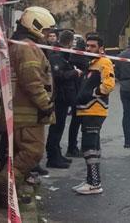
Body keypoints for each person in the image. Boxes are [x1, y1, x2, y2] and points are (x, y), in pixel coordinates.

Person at [0, 7, 57, 207]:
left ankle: (8, 196)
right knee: (32, 152)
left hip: (15, 111)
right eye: (45, 31)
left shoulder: (15, 44)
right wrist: (45, 104)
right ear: (35, 25)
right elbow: (32, 80)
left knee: (16, 153)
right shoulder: (27, 47)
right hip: (28, 114)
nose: (46, 35)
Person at [73, 34, 115, 195]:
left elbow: (109, 85)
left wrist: (93, 93)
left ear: (101, 48)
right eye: (87, 46)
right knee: (92, 147)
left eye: (93, 46)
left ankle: (95, 183)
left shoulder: (104, 63)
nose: (89, 49)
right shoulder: (91, 63)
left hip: (94, 109)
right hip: (86, 109)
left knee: (89, 147)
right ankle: (91, 180)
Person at [45, 30, 79, 169]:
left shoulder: (61, 54)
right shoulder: (57, 55)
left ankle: (57, 154)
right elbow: (58, 75)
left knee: (59, 126)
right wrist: (74, 72)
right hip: (59, 96)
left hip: (64, 96)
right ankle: (52, 157)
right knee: (56, 127)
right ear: (70, 42)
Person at [65, 37, 89, 157]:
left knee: (76, 121)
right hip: (80, 91)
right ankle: (73, 147)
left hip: (75, 92)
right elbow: (86, 65)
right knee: (79, 121)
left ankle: (73, 146)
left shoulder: (70, 56)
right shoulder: (80, 57)